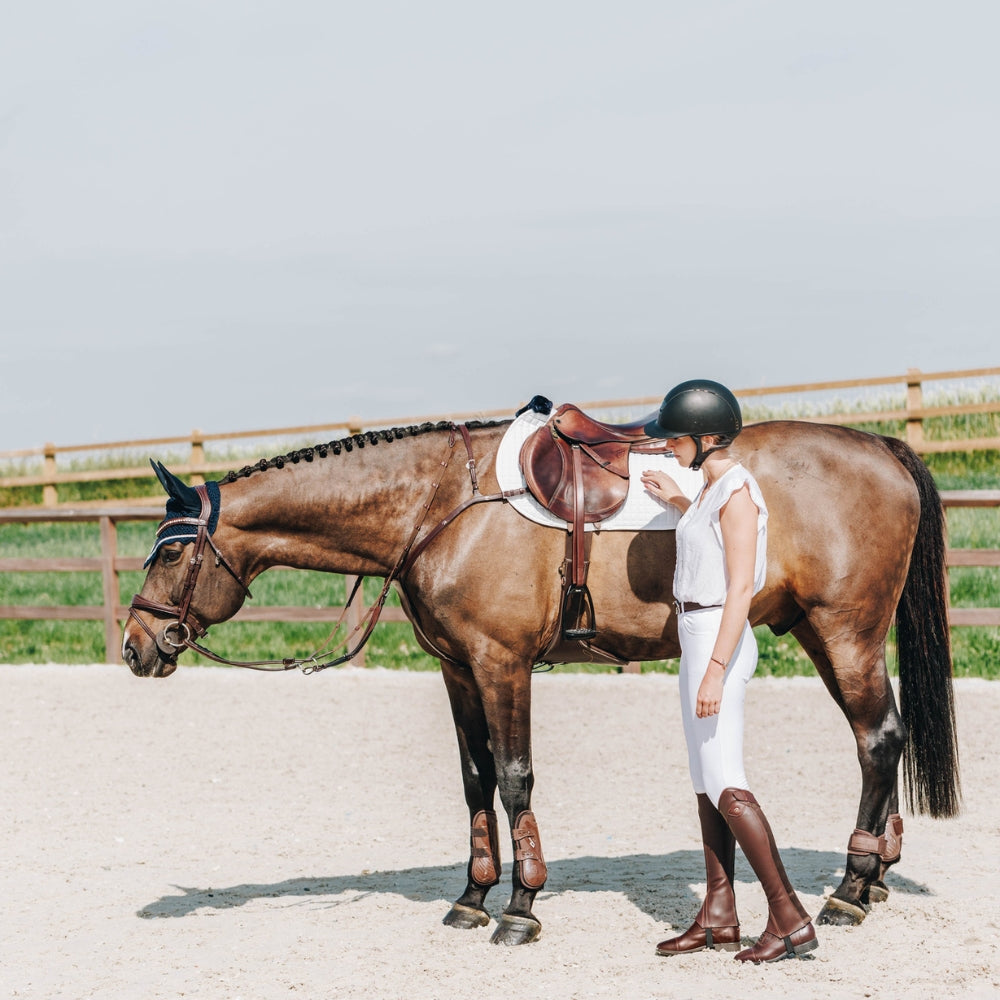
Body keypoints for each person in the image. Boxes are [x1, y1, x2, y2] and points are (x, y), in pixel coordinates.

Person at [640, 379, 817, 965]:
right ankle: (719, 916)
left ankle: (788, 916)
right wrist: (677, 502)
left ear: (707, 437)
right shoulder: (712, 492)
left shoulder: (737, 490)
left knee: (725, 778)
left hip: (719, 639)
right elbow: (711, 542)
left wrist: (715, 669)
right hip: (697, 637)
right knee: (702, 779)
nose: (667, 445)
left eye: (674, 438)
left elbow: (741, 585)